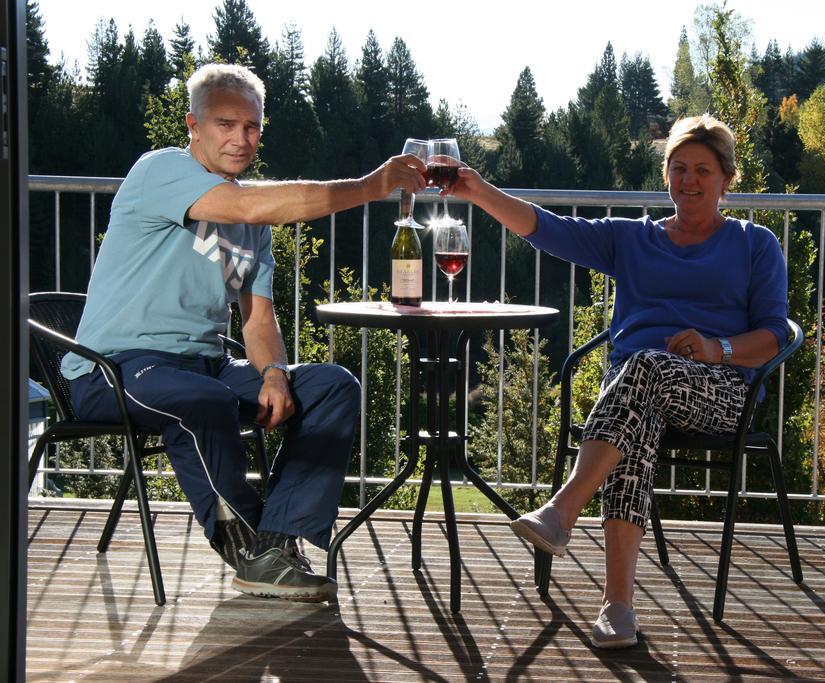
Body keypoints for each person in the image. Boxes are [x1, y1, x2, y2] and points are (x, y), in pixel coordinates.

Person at [61, 63, 427, 602]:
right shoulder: (160, 171)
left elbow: (258, 318)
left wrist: (276, 372)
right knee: (200, 399)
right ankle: (246, 548)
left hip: (202, 366)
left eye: (252, 127)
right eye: (225, 125)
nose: (240, 139)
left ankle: (278, 542)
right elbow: (253, 202)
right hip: (114, 368)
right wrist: (372, 187)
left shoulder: (253, 229)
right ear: (193, 125)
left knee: (331, 385)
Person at [446, 114, 788, 647]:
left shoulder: (754, 244)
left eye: (702, 169)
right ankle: (617, 610)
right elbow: (546, 228)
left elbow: (774, 335)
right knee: (638, 415)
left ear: (726, 177)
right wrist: (478, 189)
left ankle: (562, 509)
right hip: (635, 394)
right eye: (678, 168)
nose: (688, 180)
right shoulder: (633, 239)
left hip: (720, 391)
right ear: (665, 175)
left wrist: (719, 349)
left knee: (643, 371)